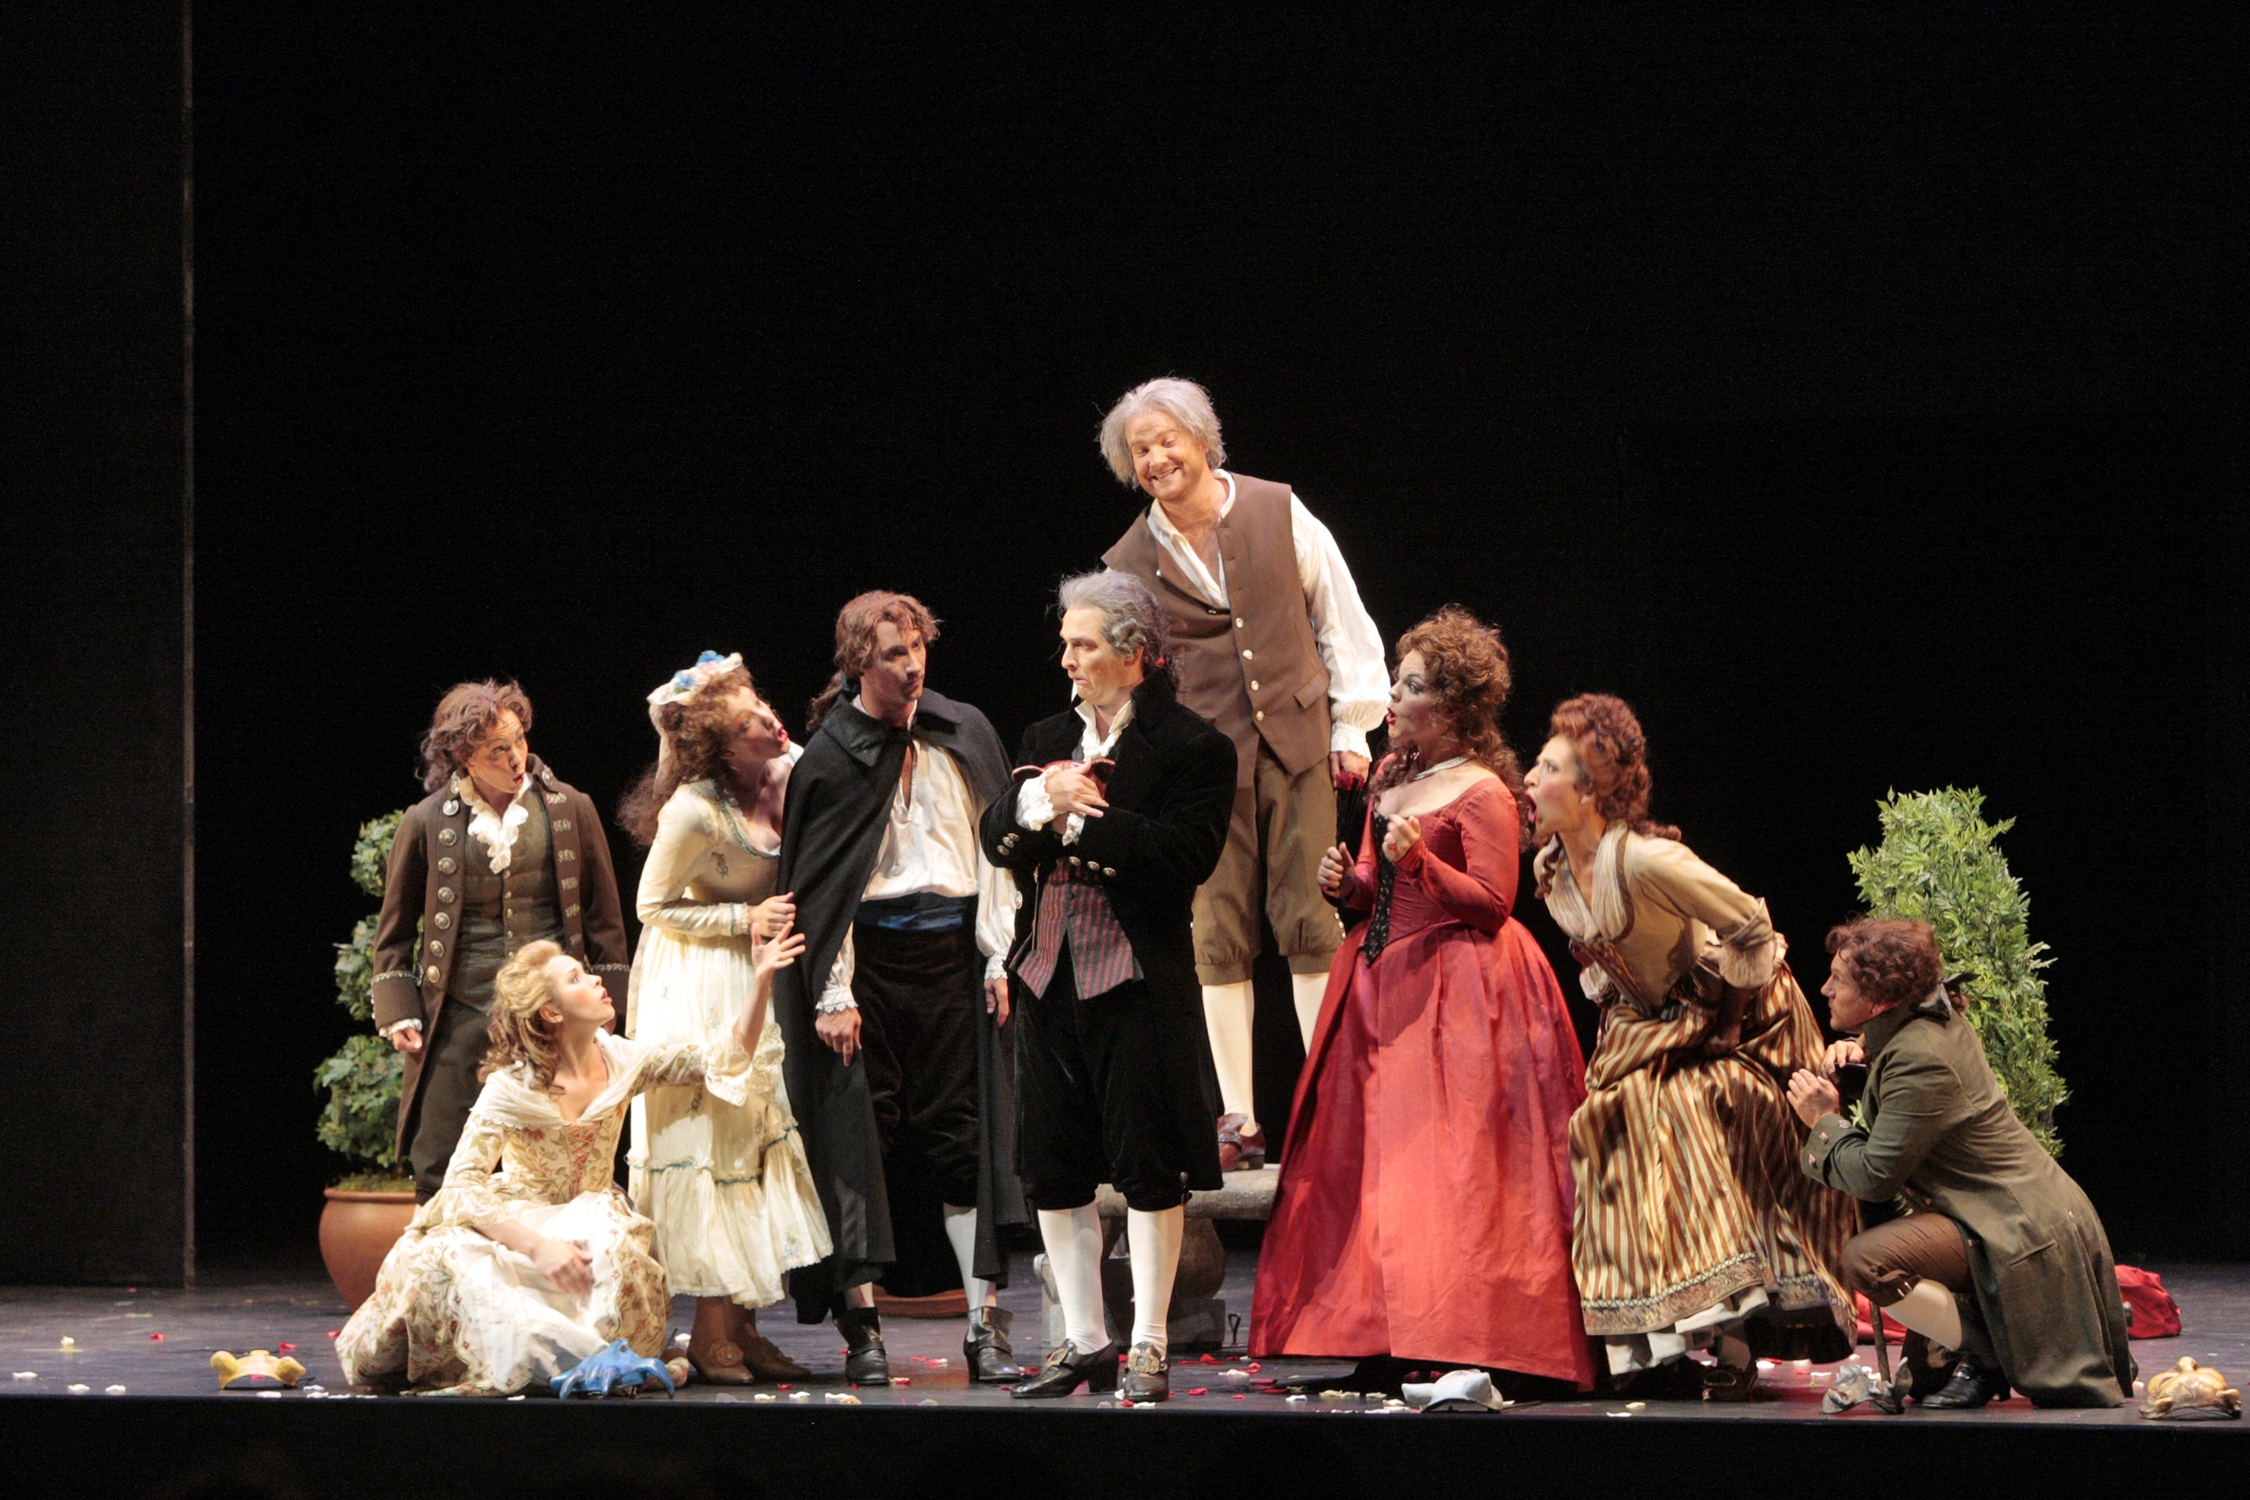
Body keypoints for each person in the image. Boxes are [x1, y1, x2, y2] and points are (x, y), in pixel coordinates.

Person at [1251, 609, 1594, 1393]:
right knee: (1371, 1166)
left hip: (1462, 989)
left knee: (1452, 1167)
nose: (1395, 698)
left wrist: (1424, 869)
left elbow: (1493, 904)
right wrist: (1351, 883)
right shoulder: (1391, 778)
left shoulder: (1482, 791)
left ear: (1451, 705)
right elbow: (1376, 888)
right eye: (1399, 682)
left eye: (1410, 685)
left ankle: (1465, 1328)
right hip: (1378, 985)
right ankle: (1379, 1329)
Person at [1524, 693, 1856, 1397]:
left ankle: (1733, 1337)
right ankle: (1654, 1340)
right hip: (1656, 1022)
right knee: (1603, 1125)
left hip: (1747, 1016)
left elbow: (1751, 926)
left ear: (1591, 791)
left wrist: (1730, 1025)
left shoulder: (1647, 861)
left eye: (1547, 768)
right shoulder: (1551, 869)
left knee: (1674, 1114)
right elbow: (1604, 968)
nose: (1527, 778)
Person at [1098, 378, 1389, 1169]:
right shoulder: (1129, 559)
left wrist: (1352, 726)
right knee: (1217, 931)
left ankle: (1329, 1096)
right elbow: (1126, 672)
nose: (1157, 458)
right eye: (1140, 449)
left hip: (1297, 741)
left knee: (1309, 918)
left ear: (1202, 439)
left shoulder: (1274, 508)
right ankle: (1239, 1118)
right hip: (1203, 765)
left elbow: (1340, 614)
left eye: (1168, 440)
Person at [337, 930, 803, 1395]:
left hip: (593, 1215)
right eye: (578, 977)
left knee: (614, 1255)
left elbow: (725, 1058)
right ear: (552, 1012)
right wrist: (538, 1246)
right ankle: (558, 1360)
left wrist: (760, 980)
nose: (599, 980)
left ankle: (581, 1360)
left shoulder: (622, 1059)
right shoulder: (513, 1086)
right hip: (525, 1219)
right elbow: (460, 1186)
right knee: (443, 1259)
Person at [982, 569, 1236, 1403]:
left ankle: (1150, 1346)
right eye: (1065, 644)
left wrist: (1081, 812)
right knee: (1053, 1165)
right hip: (1048, 975)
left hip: (1134, 978)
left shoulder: (1194, 746)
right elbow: (997, 838)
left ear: (1133, 655)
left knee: (1146, 1166)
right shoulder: (1047, 732)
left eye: (1083, 645)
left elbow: (1181, 859)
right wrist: (1034, 799)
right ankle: (1086, 1342)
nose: (1067, 659)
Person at [770, 592, 1026, 1384]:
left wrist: (995, 956)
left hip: (954, 956)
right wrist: (832, 990)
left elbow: (996, 849)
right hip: (869, 964)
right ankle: (864, 1328)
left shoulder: (962, 730)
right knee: (858, 1139)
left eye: (918, 648)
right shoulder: (830, 757)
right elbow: (825, 888)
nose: (912, 666)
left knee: (963, 1134)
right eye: (892, 654)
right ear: (856, 664)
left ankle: (985, 1322)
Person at [1789, 918, 2135, 1408]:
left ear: (1879, 996)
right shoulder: (1922, 1026)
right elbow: (1903, 1082)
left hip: (2015, 1222)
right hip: (1999, 1208)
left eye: (1839, 980)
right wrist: (1862, 1053)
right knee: (1926, 1378)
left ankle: (1990, 1350)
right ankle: (1979, 1349)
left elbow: (1873, 1176)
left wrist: (1823, 1121)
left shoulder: (1921, 1056)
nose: (1824, 988)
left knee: (1868, 1260)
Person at [615, 651, 832, 1385]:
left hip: (758, 971)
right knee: (715, 1141)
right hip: (700, 973)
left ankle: (741, 1325)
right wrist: (743, 916)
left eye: (762, 707)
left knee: (756, 1140)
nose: (771, 722)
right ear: (719, 748)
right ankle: (710, 1333)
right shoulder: (693, 809)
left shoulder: (794, 765)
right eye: (748, 724)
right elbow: (652, 906)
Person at [370, 680, 631, 1201]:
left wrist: (613, 1009)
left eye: (518, 740)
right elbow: (396, 929)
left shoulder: (569, 808)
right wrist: (398, 1010)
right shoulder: (426, 823)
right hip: (464, 1006)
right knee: (442, 1159)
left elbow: (605, 921)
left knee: (564, 1153)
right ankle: (447, 1275)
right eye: (497, 750)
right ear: (463, 756)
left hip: (550, 1010)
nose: (517, 758)